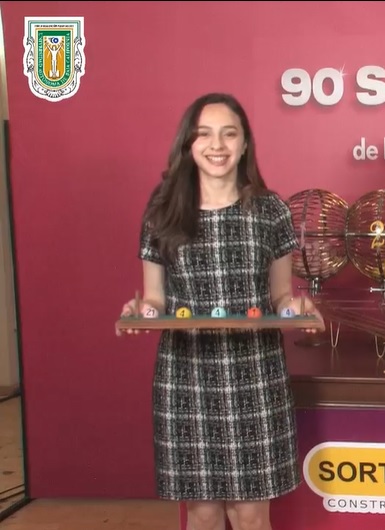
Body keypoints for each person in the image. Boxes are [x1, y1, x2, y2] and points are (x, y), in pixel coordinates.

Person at [117, 92, 325, 530]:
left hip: (255, 375)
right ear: (188, 144)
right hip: (185, 376)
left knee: (250, 516)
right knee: (203, 514)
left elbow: (281, 298)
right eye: (204, 134)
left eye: (229, 134)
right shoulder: (162, 211)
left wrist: (299, 308)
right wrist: (141, 311)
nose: (217, 145)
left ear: (245, 143)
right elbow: (155, 299)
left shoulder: (270, 210)